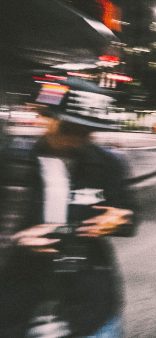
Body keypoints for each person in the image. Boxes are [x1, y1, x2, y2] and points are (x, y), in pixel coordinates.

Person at [0, 79, 137, 337]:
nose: (78, 139)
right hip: (18, 306)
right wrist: (17, 238)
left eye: (86, 131)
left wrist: (120, 219)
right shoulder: (12, 162)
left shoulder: (108, 164)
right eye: (69, 128)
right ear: (45, 116)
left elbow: (130, 215)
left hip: (91, 309)